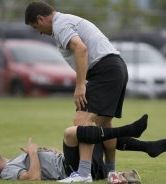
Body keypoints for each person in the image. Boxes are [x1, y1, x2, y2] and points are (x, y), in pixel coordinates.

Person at [25, 1, 129, 181]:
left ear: (41, 18)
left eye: (37, 27)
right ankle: (111, 172)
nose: (40, 32)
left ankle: (83, 174)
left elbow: (81, 48)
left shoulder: (60, 24)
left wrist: (81, 85)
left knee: (82, 120)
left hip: (104, 70)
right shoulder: (66, 21)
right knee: (104, 124)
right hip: (116, 67)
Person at [0, 115, 166, 182]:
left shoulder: (13, 160)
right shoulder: (7, 172)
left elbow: (42, 166)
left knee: (101, 124)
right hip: (72, 170)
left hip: (74, 163)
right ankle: (133, 133)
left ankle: (147, 148)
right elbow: (33, 178)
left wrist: (48, 152)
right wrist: (33, 152)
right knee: (72, 132)